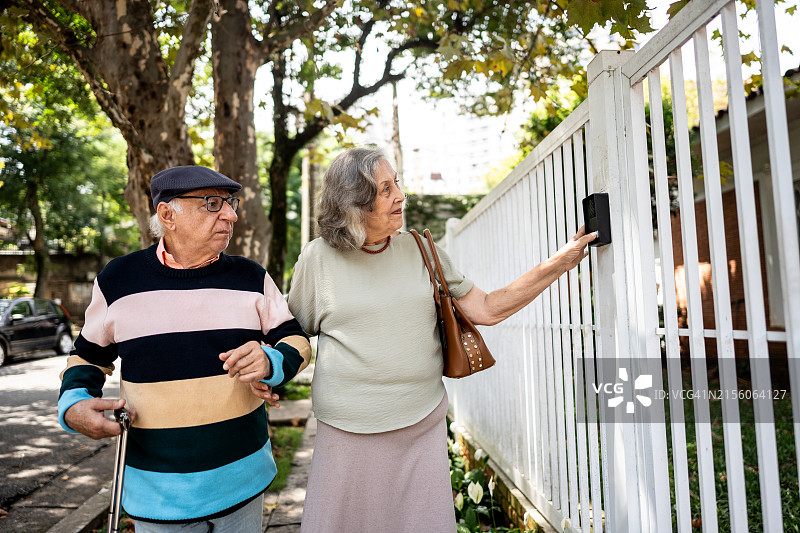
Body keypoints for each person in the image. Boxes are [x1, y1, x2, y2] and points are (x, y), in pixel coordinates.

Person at [249, 147, 597, 532]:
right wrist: (266, 366)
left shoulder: (420, 250)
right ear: (354, 202)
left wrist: (558, 263)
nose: (400, 195)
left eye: (396, 183)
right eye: (385, 189)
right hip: (347, 431)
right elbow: (290, 331)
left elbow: (489, 308)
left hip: (421, 425)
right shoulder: (318, 259)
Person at [57, 166, 311, 533]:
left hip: (244, 484)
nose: (231, 214)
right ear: (167, 215)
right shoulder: (118, 280)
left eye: (230, 203)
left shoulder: (252, 277)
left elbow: (297, 341)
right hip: (157, 495)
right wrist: (73, 404)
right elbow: (87, 357)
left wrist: (271, 359)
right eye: (212, 204)